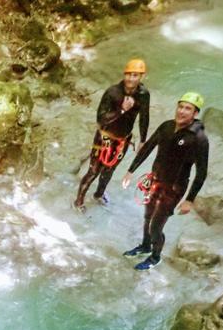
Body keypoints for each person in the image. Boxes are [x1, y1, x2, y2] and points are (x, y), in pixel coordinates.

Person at [121, 92, 209, 270]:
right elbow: (148, 147)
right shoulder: (166, 126)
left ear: (195, 114)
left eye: (188, 109)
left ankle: (155, 257)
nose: (182, 111)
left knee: (156, 226)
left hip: (174, 188)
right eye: (180, 106)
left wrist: (189, 199)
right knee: (147, 216)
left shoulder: (198, 139)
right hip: (156, 180)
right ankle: (145, 246)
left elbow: (201, 172)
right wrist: (130, 170)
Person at [73, 59, 150, 212]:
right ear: (124, 74)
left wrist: (142, 140)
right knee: (94, 171)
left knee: (109, 170)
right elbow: (100, 119)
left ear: (142, 77)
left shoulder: (143, 95)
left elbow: (144, 117)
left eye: (135, 75)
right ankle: (78, 201)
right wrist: (122, 110)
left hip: (123, 140)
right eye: (128, 74)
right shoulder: (113, 92)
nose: (131, 79)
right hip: (104, 137)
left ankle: (99, 194)